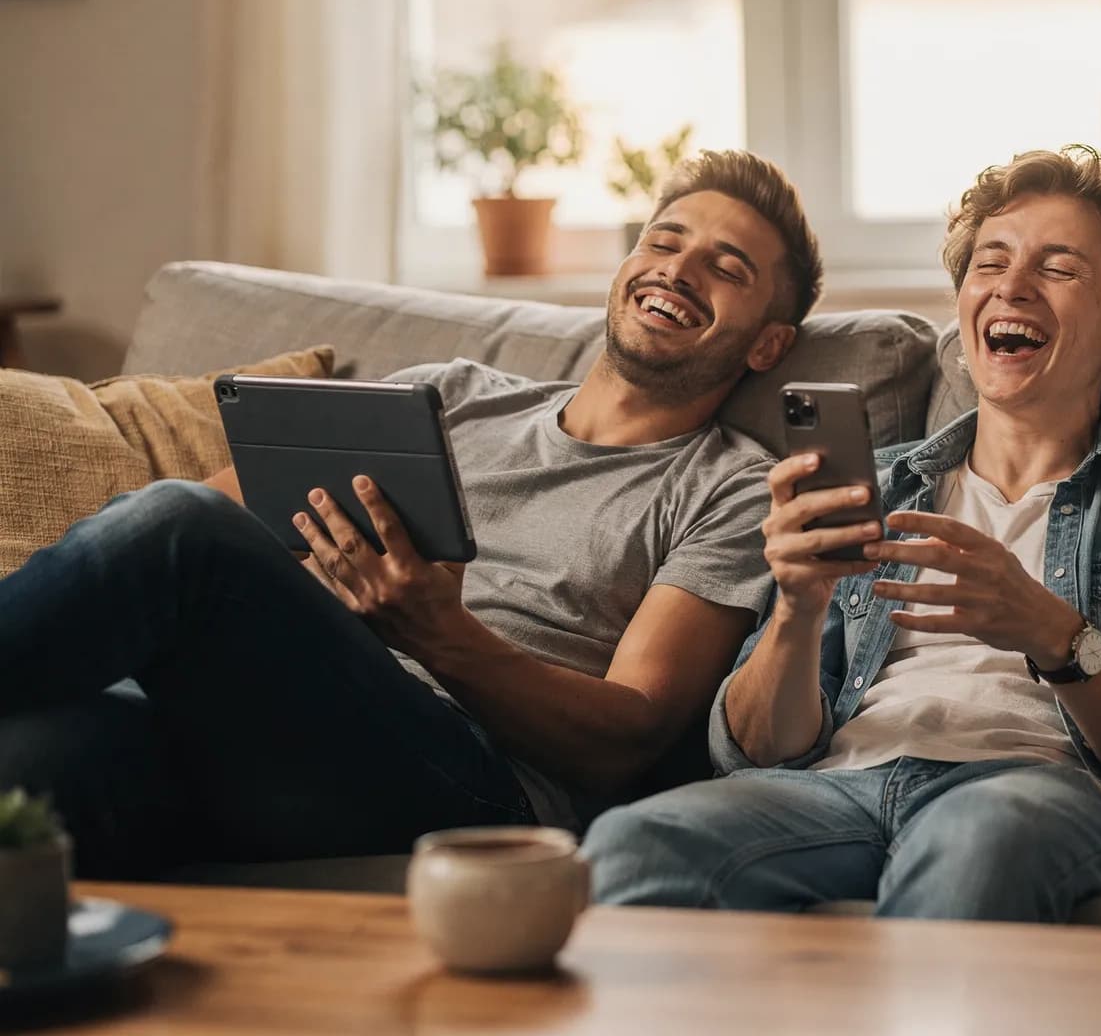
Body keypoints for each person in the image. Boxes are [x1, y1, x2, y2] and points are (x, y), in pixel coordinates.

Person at [0, 150, 823, 876]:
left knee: (176, 527)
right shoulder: (451, 396)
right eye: (664, 240)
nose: (677, 272)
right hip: (251, 732)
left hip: (468, 779)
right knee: (28, 772)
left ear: (766, 346)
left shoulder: (734, 488)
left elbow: (626, 741)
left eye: (727, 268)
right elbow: (180, 536)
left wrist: (440, 634)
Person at [584, 145, 1101, 922]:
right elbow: (755, 750)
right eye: (990, 263)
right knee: (633, 843)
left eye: (1058, 269)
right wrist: (799, 609)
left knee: (978, 838)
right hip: (836, 789)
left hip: (1038, 791)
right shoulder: (878, 483)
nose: (1011, 285)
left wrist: (1054, 633)